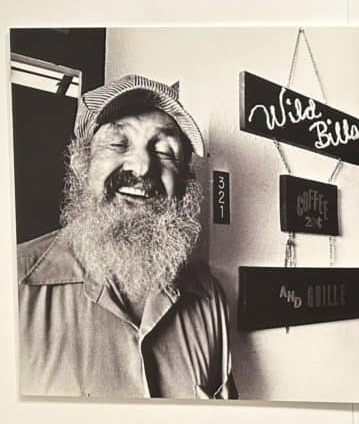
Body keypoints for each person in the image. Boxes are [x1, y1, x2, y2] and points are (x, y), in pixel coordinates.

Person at [17, 74, 235, 399]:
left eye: (164, 152)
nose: (143, 166)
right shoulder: (13, 285)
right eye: (119, 144)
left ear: (184, 180)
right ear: (81, 163)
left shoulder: (209, 299)